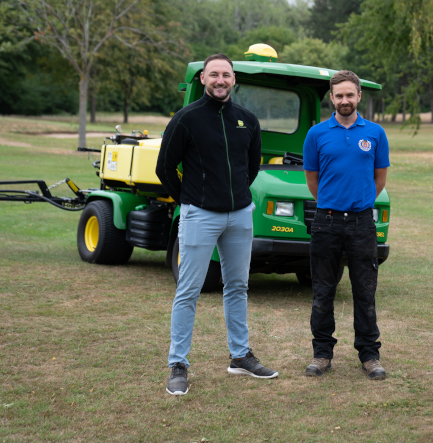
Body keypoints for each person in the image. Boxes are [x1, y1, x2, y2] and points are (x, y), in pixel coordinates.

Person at [156, 53, 278, 396]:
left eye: (226, 74)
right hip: (199, 215)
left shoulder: (247, 120)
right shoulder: (186, 119)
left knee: (237, 286)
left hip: (240, 216)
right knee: (189, 291)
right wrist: (190, 199)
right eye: (214, 74)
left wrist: (235, 196)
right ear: (204, 80)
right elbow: (165, 168)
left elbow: (250, 166)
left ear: (234, 79)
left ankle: (240, 356)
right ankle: (178, 364)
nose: (220, 80)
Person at [302, 70, 390, 380]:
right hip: (326, 221)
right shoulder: (316, 134)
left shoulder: (376, 133)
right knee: (324, 291)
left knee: (365, 291)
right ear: (331, 97)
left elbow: (379, 178)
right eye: (339, 95)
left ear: (359, 96)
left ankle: (369, 355)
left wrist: (358, 202)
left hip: (362, 223)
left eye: (349, 95)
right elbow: (312, 179)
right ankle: (322, 354)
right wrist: (333, 202)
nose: (344, 100)